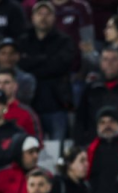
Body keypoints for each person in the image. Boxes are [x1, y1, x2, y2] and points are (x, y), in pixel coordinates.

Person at [16, 1, 76, 141]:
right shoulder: (23, 40)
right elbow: (21, 65)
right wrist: (46, 60)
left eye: (47, 14)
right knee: (29, 148)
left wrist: (33, 63)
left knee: (57, 151)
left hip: (56, 104)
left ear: (54, 18)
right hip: (29, 106)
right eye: (39, 14)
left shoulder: (64, 40)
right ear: (32, 17)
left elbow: (60, 66)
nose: (43, 17)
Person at [0, 68, 42, 140]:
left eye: (6, 82)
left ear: (15, 86)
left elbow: (36, 143)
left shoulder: (26, 113)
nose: (1, 86)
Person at [81, 14, 118, 80]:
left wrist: (91, 53)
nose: (105, 31)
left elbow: (113, 69)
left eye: (110, 28)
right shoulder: (109, 48)